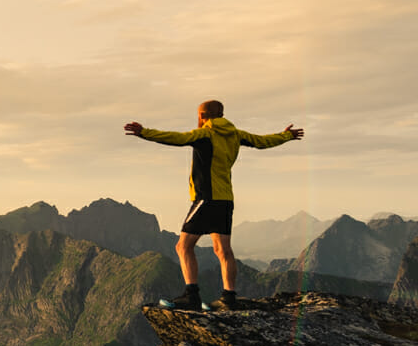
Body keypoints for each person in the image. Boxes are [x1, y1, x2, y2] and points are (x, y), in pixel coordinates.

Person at [124, 100, 303, 311]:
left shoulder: (205, 134)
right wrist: (286, 136)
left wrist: (144, 132)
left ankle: (191, 296)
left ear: (202, 116)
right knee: (223, 250)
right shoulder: (236, 134)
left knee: (183, 246)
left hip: (205, 199)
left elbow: (177, 139)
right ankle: (228, 298)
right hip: (226, 200)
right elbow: (261, 141)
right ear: (222, 114)